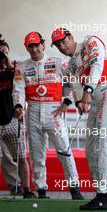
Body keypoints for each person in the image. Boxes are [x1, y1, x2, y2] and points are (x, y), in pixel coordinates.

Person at [51, 28, 107, 210]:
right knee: (90, 149)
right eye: (57, 45)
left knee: (101, 143)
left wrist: (87, 91)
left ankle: (103, 197)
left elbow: (97, 64)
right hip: (95, 101)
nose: (61, 46)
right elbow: (74, 84)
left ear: (71, 37)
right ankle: (100, 194)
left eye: (63, 41)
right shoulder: (72, 64)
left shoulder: (91, 41)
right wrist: (78, 101)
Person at [13, 31, 83, 199]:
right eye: (31, 46)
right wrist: (18, 106)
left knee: (64, 151)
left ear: (43, 44)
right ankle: (41, 191)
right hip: (33, 113)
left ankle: (75, 190)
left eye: (37, 45)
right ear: (27, 48)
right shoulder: (21, 67)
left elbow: (74, 82)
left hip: (54, 113)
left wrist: (67, 102)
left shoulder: (59, 63)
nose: (35, 49)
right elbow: (18, 90)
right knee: (37, 155)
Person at [0, 34, 35, 198]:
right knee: (4, 158)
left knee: (20, 156)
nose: (1, 55)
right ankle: (14, 187)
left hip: (12, 119)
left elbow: (21, 85)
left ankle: (27, 189)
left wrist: (8, 61)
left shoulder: (15, 70)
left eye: (4, 52)